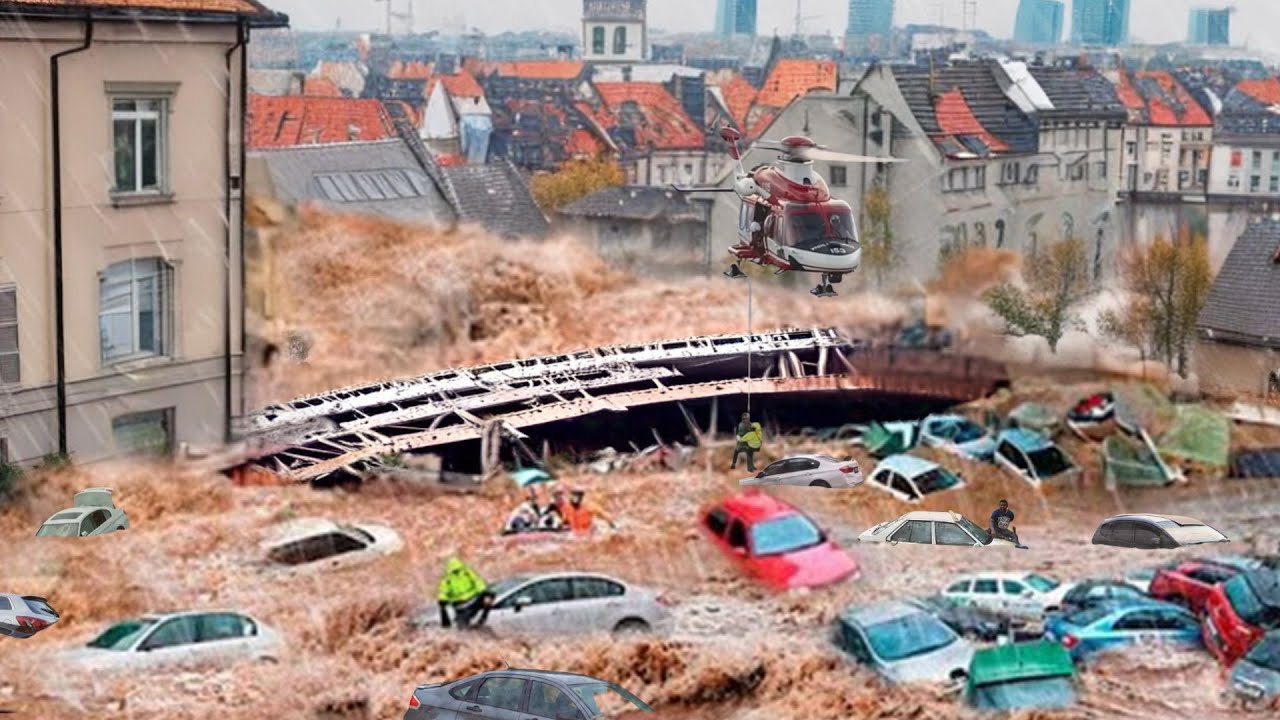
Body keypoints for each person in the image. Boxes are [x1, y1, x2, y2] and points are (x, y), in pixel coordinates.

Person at [437, 557, 493, 629]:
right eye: (455, 570)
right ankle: (478, 622)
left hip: (470, 601)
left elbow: (477, 582)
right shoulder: (448, 579)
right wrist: (442, 599)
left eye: (457, 570)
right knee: (462, 628)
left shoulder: (466, 573)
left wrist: (484, 591)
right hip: (462, 604)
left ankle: (482, 619)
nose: (456, 571)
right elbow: (443, 591)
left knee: (490, 595)